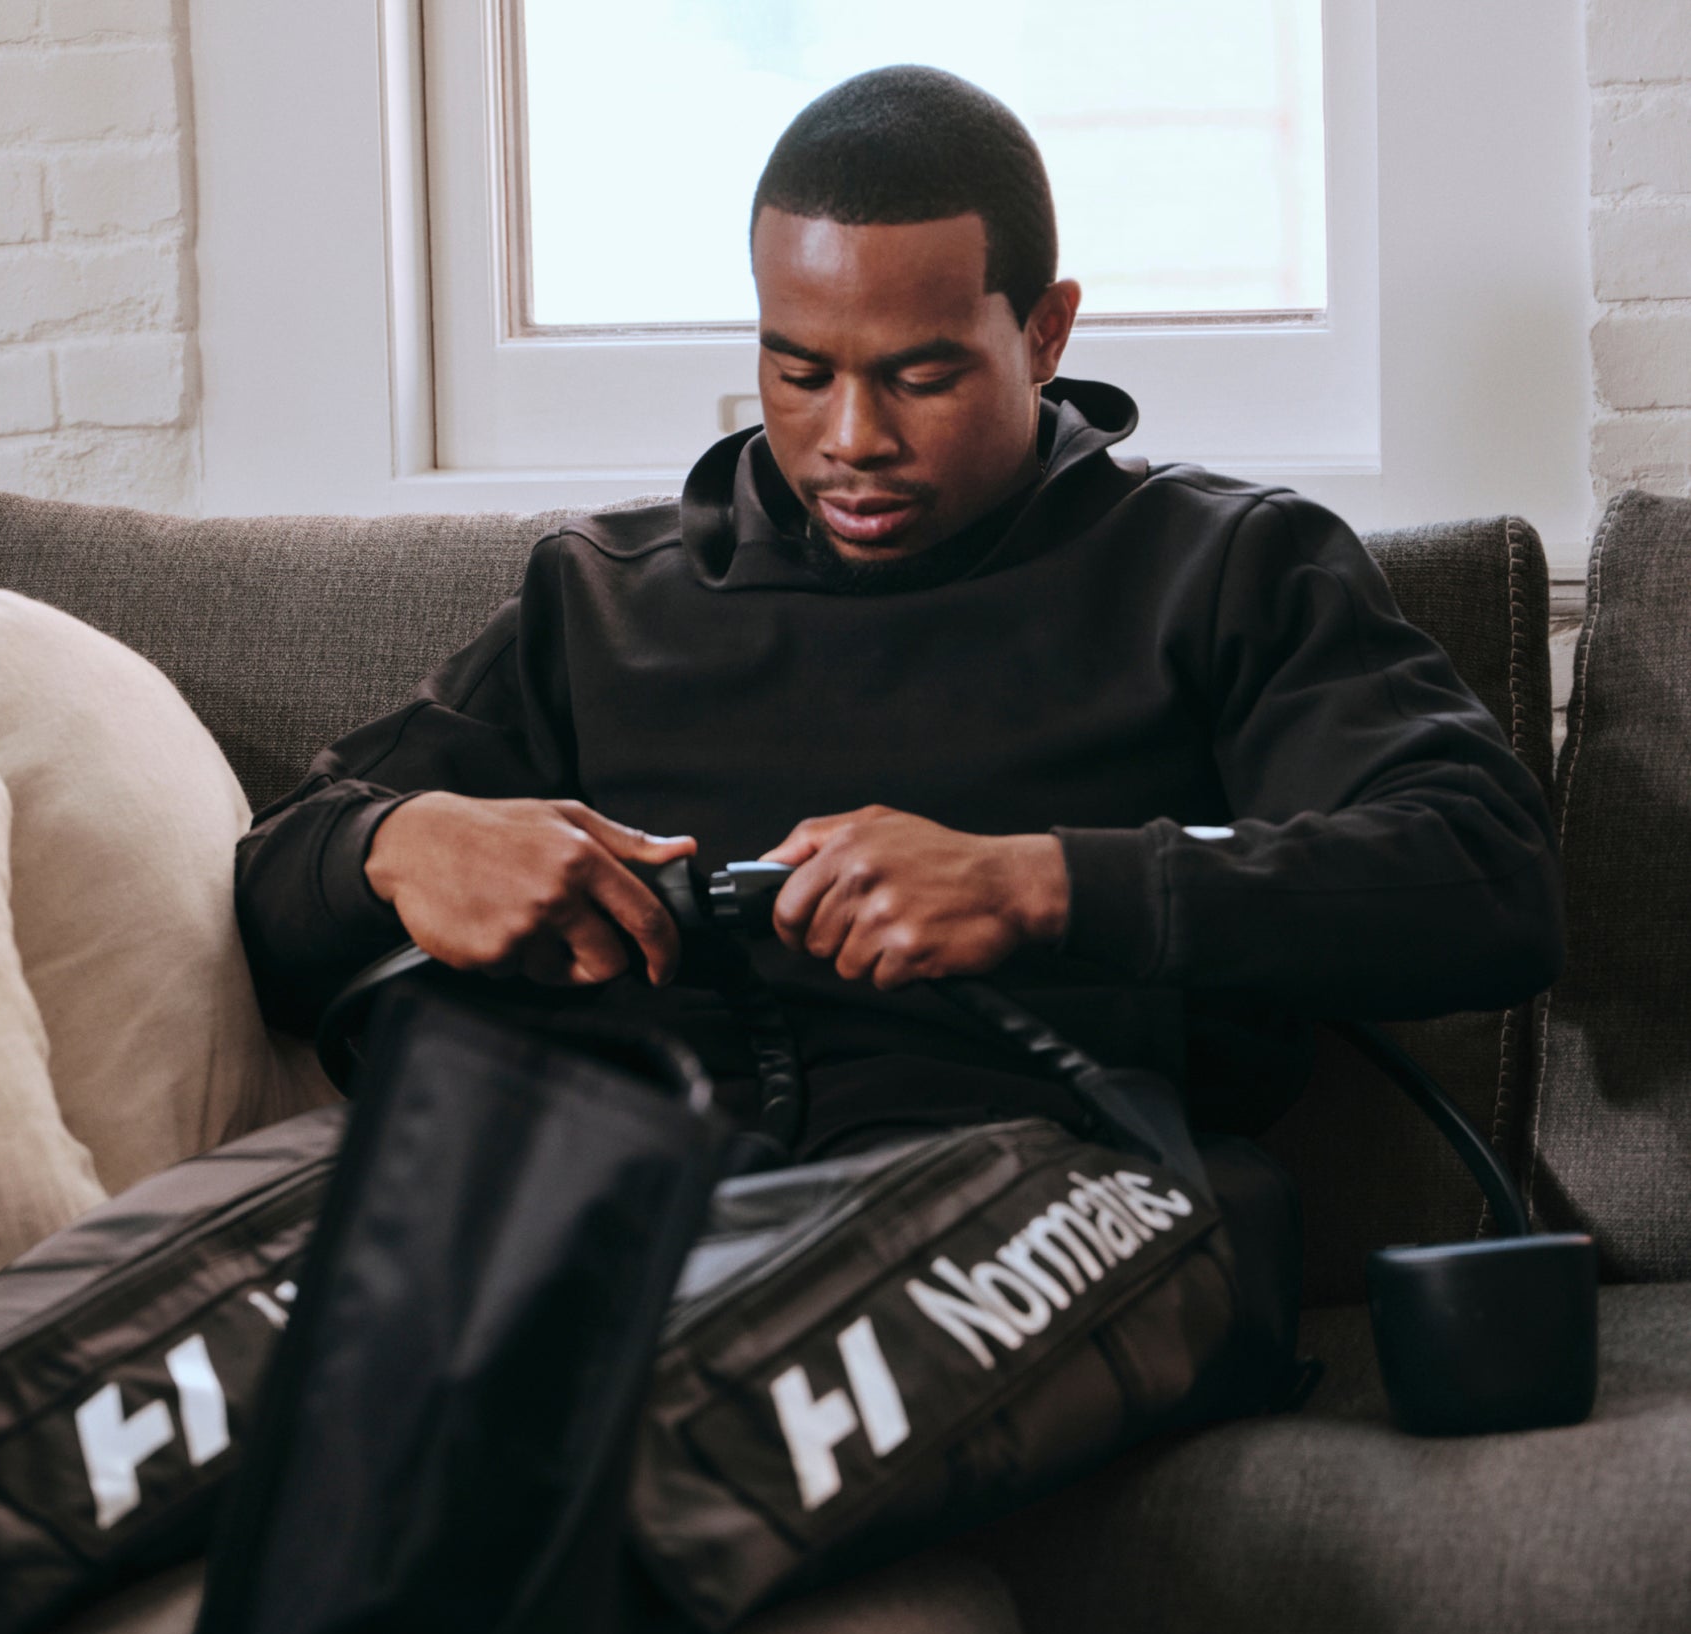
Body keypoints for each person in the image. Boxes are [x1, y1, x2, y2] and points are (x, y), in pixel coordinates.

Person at [234, 65, 1565, 1162]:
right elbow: (273, 888)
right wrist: (400, 846)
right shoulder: (603, 598)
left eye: (922, 378)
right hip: (632, 1200)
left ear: (1045, 333)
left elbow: (1490, 882)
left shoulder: (1224, 567)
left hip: (1050, 1194)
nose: (852, 439)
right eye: (798, 372)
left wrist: (1040, 885)